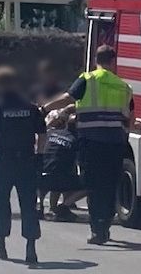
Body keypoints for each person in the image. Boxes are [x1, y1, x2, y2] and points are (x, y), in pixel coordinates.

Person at [44, 45, 134, 244]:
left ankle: (97, 230)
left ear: (96, 60)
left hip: (91, 142)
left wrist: (45, 108)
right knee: (109, 186)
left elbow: (68, 98)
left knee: (93, 184)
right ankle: (106, 226)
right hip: (115, 144)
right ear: (113, 62)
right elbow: (130, 119)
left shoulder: (88, 79)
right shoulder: (123, 86)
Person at [0, 66, 45, 264]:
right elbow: (42, 133)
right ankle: (30, 249)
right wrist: (40, 156)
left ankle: (0, 246)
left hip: (4, 162)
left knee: (0, 203)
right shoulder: (31, 107)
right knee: (28, 205)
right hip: (27, 161)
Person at [40, 107, 86, 222]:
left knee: (53, 172)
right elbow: (79, 162)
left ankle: (40, 204)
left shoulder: (51, 133)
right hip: (59, 179)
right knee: (89, 183)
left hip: (41, 177)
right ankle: (63, 207)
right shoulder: (77, 141)